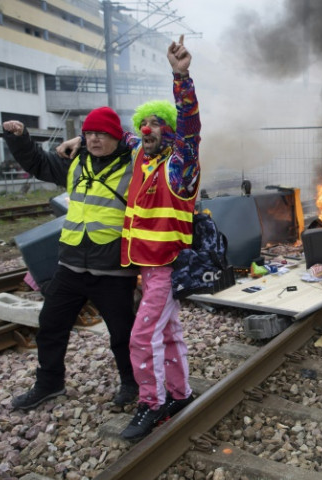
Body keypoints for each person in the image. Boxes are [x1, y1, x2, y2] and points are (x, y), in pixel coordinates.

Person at [2, 109, 139, 410]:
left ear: (117, 136)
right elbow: (37, 163)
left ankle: (132, 383)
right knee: (50, 325)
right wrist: (19, 139)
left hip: (113, 269)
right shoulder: (75, 162)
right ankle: (49, 383)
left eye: (101, 133)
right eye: (89, 133)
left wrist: (81, 138)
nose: (93, 139)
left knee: (122, 333)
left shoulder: (135, 164)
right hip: (71, 264)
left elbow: (155, 145)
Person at [119, 36, 201, 441]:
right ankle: (180, 394)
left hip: (166, 267)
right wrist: (78, 143)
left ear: (168, 131)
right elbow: (122, 139)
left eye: (155, 124)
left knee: (141, 337)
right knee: (168, 333)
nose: (146, 130)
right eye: (143, 125)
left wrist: (180, 76)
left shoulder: (178, 163)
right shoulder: (141, 156)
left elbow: (189, 127)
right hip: (146, 268)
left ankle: (150, 404)